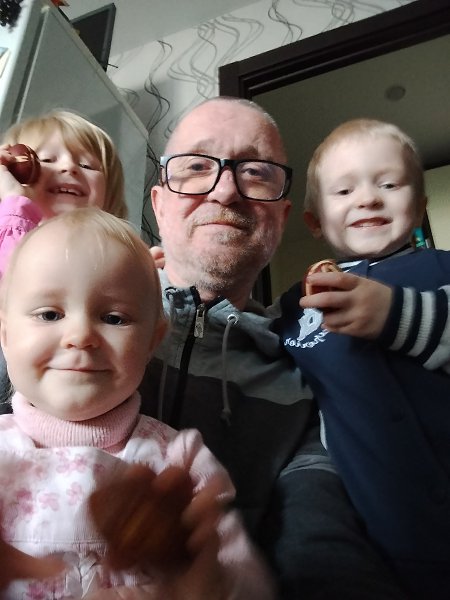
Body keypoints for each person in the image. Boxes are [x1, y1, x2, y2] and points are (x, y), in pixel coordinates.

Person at [139, 97, 409, 599]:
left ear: (281, 218)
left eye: (255, 172)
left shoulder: (306, 367)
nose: (225, 190)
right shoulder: (58, 309)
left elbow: (318, 537)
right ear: (159, 203)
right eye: (197, 167)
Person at [0, 207, 274, 599]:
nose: (80, 335)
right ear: (5, 335)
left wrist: (209, 581)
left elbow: (249, 583)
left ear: (151, 342)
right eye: (49, 314)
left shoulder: (178, 461)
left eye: (113, 318)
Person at [273, 118, 450, 598]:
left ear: (420, 204)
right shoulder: (295, 305)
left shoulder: (442, 268)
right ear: (315, 221)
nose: (368, 199)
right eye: (344, 190)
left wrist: (395, 315)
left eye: (389, 184)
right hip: (375, 539)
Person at [0, 109, 127, 410]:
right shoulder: (7, 227)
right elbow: (15, 291)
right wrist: (15, 204)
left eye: (87, 165)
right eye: (47, 160)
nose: (69, 167)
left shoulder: (113, 252)